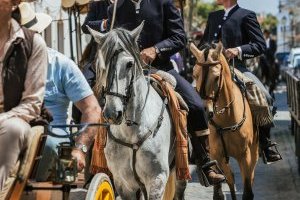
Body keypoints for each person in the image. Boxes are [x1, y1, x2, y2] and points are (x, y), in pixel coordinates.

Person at [100, 0, 226, 185]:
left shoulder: (163, 3)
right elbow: (110, 40)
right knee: (95, 103)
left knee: (197, 106)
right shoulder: (117, 6)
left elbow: (179, 37)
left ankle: (205, 161)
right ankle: (94, 161)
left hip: (159, 69)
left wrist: (156, 49)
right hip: (123, 74)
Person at [18, 2, 102, 180]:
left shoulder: (62, 66)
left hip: (51, 138)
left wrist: (80, 149)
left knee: (44, 145)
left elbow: (92, 110)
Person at [200, 0, 281, 163]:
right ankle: (199, 148)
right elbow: (204, 43)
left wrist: (238, 50)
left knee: (265, 97)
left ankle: (266, 143)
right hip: (212, 68)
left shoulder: (246, 15)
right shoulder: (213, 16)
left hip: (237, 67)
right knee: (194, 98)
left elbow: (260, 45)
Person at [0, 0, 48, 190]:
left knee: (13, 130)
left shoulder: (33, 44)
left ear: (13, 4)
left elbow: (32, 103)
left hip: (15, 119)